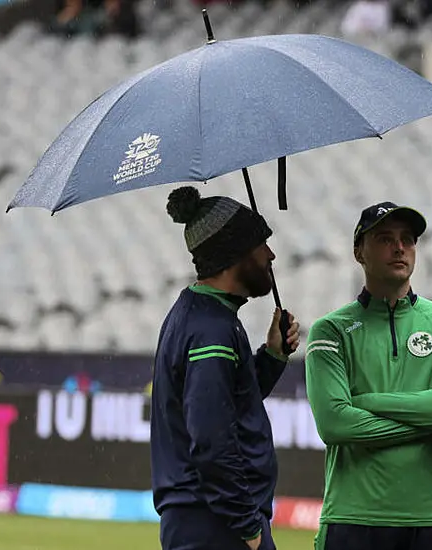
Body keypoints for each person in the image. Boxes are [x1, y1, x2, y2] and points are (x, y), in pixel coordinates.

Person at [305, 201, 432, 550]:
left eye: (408, 239)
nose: (400, 247)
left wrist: (367, 402)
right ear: (359, 252)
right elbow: (335, 425)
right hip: (352, 518)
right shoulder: (330, 330)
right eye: (385, 238)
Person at [150, 186, 301, 550]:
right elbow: (211, 437)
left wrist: (272, 356)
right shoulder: (211, 331)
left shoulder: (201, 314)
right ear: (236, 254)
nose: (271, 255)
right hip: (216, 525)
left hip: (206, 520)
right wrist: (248, 527)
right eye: (261, 244)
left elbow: (230, 403)